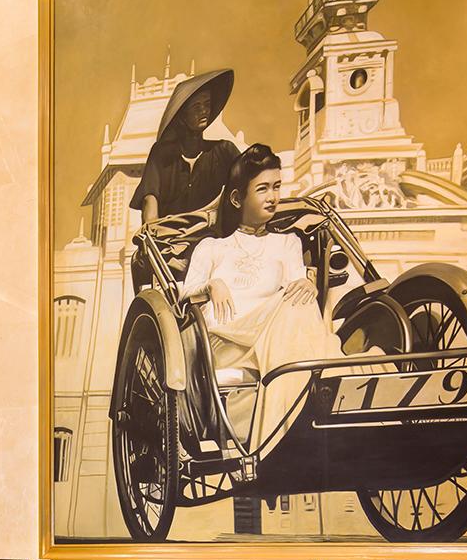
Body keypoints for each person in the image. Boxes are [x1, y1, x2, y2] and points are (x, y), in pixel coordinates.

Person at [180, 144, 338, 453]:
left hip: (275, 340)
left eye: (277, 186)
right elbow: (184, 294)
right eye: (262, 189)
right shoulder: (212, 248)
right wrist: (211, 285)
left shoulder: (287, 243)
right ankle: (284, 432)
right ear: (237, 198)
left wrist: (308, 285)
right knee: (296, 305)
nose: (273, 197)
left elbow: (296, 294)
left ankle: (306, 403)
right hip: (226, 343)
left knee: (301, 299)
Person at [130, 69, 240, 273]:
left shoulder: (224, 151)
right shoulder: (161, 155)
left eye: (207, 104)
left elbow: (248, 185)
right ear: (182, 115)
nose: (204, 110)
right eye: (196, 106)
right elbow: (150, 200)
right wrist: (154, 238)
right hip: (173, 247)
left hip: (217, 243)